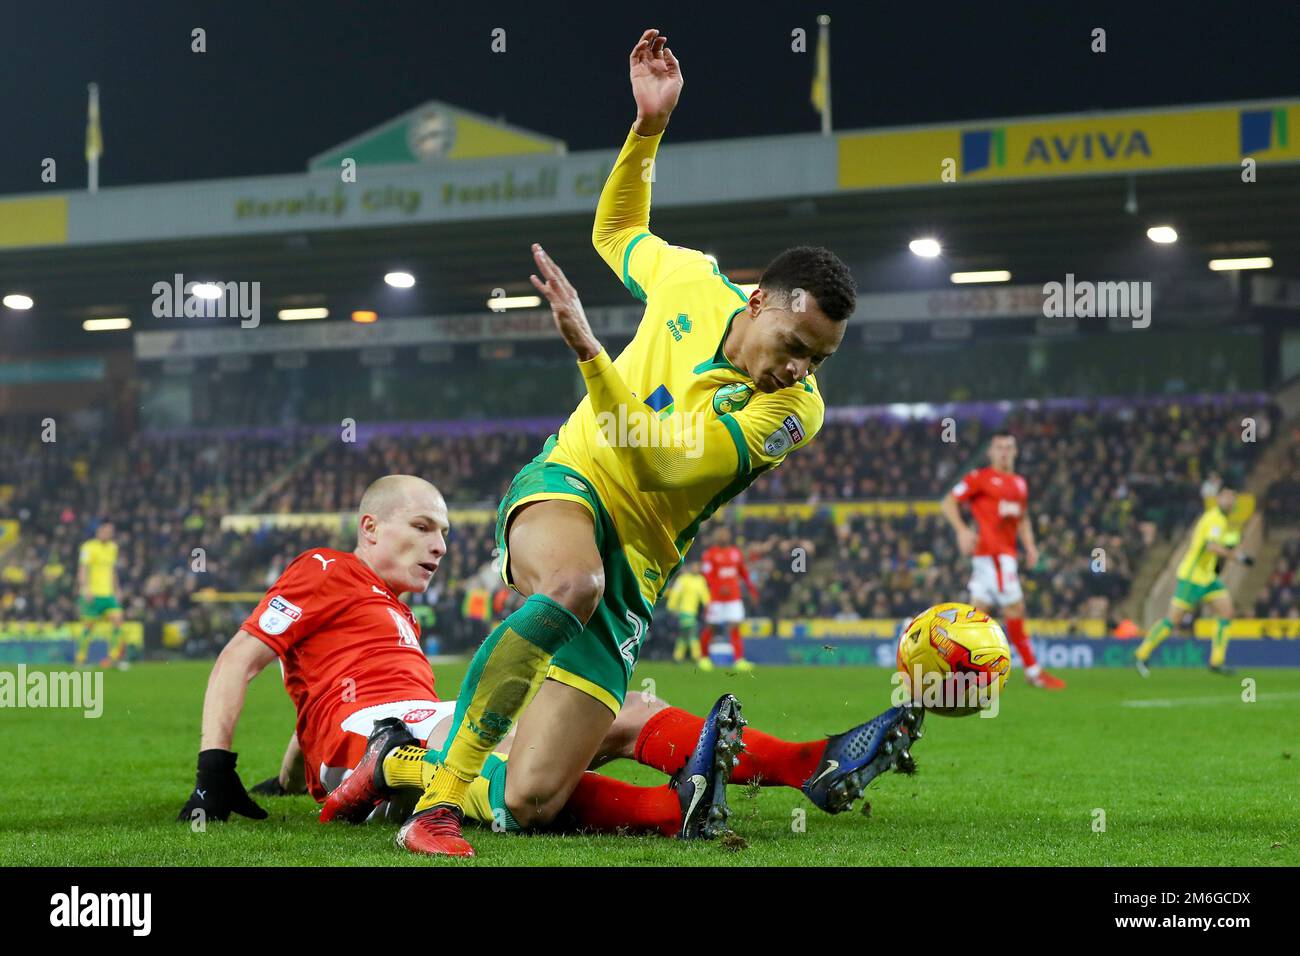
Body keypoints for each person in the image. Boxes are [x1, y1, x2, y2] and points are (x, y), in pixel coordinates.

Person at [399, 28, 913, 858]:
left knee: (532, 798)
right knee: (571, 581)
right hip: (571, 480)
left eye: (818, 360)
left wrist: (591, 356)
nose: (800, 369)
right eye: (795, 344)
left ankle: (406, 767)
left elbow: (663, 461)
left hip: (641, 562)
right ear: (755, 301)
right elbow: (615, 232)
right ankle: (437, 804)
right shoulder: (691, 280)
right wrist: (647, 128)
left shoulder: (791, 414)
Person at [177, 475, 921, 839]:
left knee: (622, 713)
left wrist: (291, 773)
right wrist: (215, 775)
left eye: (446, 534)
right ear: (369, 527)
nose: (439, 546)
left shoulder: (387, 610)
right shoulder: (325, 568)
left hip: (398, 724)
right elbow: (239, 660)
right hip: (389, 738)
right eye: (423, 527)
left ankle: (804, 763)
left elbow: (317, 695)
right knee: (515, 765)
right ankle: (671, 810)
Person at [940, 431, 1066, 689]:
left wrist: (1030, 546)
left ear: (1016, 451)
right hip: (994, 556)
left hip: (1001, 556)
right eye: (999, 447)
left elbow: (1022, 518)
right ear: (991, 452)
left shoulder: (1020, 484)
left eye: (1009, 447)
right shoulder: (980, 478)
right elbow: (948, 502)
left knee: (976, 615)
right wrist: (962, 530)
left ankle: (951, 668)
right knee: (1015, 609)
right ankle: (1033, 671)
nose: (1004, 452)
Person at [1135, 484, 1247, 676]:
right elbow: (1212, 547)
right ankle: (1141, 653)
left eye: (1232, 497)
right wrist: (1236, 557)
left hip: (1208, 577)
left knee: (1227, 613)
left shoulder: (1221, 520)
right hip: (1192, 578)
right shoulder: (1214, 519)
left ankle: (1217, 661)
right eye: (1226, 496)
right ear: (1218, 498)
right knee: (1172, 621)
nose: (1229, 500)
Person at [699, 525, 759, 670]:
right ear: (715, 537)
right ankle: (704, 658)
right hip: (716, 599)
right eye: (720, 534)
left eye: (725, 534)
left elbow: (743, 572)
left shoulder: (735, 553)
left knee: (735, 626)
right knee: (711, 627)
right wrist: (718, 587)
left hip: (734, 598)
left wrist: (752, 590)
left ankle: (738, 660)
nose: (723, 536)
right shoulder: (710, 554)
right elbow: (707, 575)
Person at [75, 520, 127, 667]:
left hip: (108, 594)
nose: (109, 533)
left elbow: (112, 570)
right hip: (93, 593)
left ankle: (114, 658)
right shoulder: (88, 547)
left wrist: (117, 589)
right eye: (106, 530)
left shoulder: (113, 548)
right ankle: (81, 659)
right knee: (89, 626)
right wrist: (85, 588)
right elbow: (83, 569)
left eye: (111, 531)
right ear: (99, 531)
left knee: (118, 619)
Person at [665, 559, 712, 668]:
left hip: (693, 612)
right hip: (684, 611)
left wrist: (709, 606)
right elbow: (675, 593)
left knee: (684, 636)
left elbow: (704, 595)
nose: (696, 568)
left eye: (698, 566)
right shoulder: (683, 579)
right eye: (694, 566)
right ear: (690, 567)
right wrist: (671, 607)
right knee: (692, 633)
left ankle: (677, 657)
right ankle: (697, 657)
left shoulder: (700, 580)